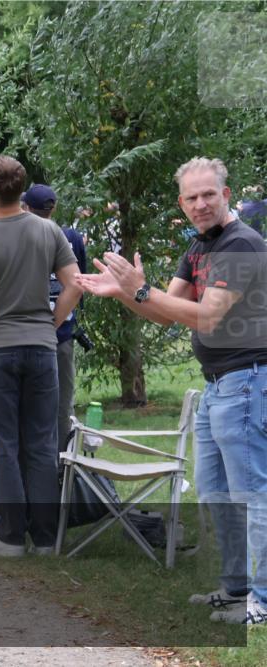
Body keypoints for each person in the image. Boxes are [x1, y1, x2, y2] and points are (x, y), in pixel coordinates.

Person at [79, 157, 267, 625]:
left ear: (227, 194)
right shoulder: (201, 245)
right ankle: (236, 589)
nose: (201, 204)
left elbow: (208, 316)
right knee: (215, 493)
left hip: (247, 383)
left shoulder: (241, 244)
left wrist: (141, 290)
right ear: (182, 204)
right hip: (218, 386)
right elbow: (167, 313)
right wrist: (123, 292)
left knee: (252, 494)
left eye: (209, 194)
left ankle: (262, 600)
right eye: (191, 197)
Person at [0, 155, 81, 558]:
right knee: (42, 443)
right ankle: (45, 538)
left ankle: (10, 537)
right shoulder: (49, 231)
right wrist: (52, 323)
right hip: (41, 347)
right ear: (21, 190)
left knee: (3, 445)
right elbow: (75, 285)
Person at [21, 184, 88, 444]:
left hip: (28, 331)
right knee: (62, 401)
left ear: (26, 208)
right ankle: (62, 455)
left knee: (29, 400)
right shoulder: (70, 237)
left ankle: (34, 453)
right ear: (54, 208)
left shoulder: (20, 238)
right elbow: (79, 281)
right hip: (62, 330)